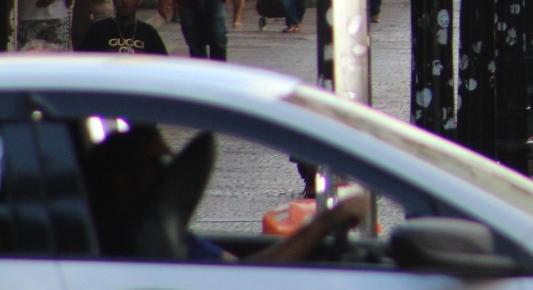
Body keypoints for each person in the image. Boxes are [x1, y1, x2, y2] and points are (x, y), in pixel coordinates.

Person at [84, 124, 365, 261]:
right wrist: (323, 224)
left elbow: (236, 271)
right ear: (123, 181)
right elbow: (246, 281)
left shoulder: (158, 232)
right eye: (162, 164)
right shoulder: (125, 244)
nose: (171, 174)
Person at [80, 0, 168, 55]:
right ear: (114, 0)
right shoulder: (98, 30)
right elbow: (84, 62)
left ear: (139, 0)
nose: (124, 1)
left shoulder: (148, 33)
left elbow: (163, 64)